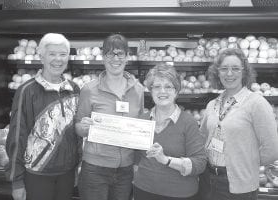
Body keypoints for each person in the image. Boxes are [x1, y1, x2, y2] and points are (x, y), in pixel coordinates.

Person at [6, 33, 83, 200]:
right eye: (52, 54)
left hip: (66, 173)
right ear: (41, 56)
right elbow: (17, 136)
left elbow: (76, 134)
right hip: (36, 174)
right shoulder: (27, 91)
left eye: (63, 54)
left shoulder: (74, 89)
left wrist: (77, 166)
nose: (58, 59)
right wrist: (17, 180)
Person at [199, 48, 278, 200]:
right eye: (224, 69)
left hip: (240, 184)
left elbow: (272, 148)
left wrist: (247, 162)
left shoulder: (256, 103)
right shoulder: (212, 104)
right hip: (208, 179)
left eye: (235, 68)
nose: (229, 74)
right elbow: (202, 138)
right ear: (217, 72)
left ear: (244, 72)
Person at [75, 34, 144, 200]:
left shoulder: (138, 90)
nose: (115, 59)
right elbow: (78, 126)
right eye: (109, 54)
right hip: (95, 168)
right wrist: (83, 127)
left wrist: (136, 163)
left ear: (127, 57)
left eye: (120, 53)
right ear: (103, 57)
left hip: (125, 170)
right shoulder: (89, 89)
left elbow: (140, 128)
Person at [133, 63, 207, 200]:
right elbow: (136, 159)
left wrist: (166, 160)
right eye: (157, 87)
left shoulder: (188, 122)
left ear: (176, 91)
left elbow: (200, 163)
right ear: (150, 90)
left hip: (179, 194)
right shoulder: (142, 121)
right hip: (143, 191)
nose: (162, 91)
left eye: (168, 86)